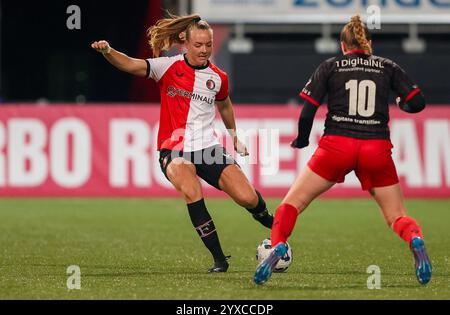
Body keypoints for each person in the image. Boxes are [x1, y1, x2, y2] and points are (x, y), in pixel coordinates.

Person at [254, 15, 431, 285]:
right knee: (397, 216)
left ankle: (278, 245)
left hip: (336, 146)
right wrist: (401, 103)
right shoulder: (387, 66)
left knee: (291, 204)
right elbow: (417, 102)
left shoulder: (331, 66)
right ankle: (415, 239)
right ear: (368, 43)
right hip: (375, 147)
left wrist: (302, 140)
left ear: (342, 45)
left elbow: (307, 111)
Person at [91, 13, 273, 273]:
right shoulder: (168, 67)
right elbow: (130, 65)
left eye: (208, 45)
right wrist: (108, 51)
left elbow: (224, 103)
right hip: (173, 149)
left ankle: (265, 217)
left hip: (207, 148)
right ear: (184, 43)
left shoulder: (218, 77)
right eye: (198, 45)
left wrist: (234, 136)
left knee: (247, 197)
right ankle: (220, 260)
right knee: (191, 190)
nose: (204, 50)